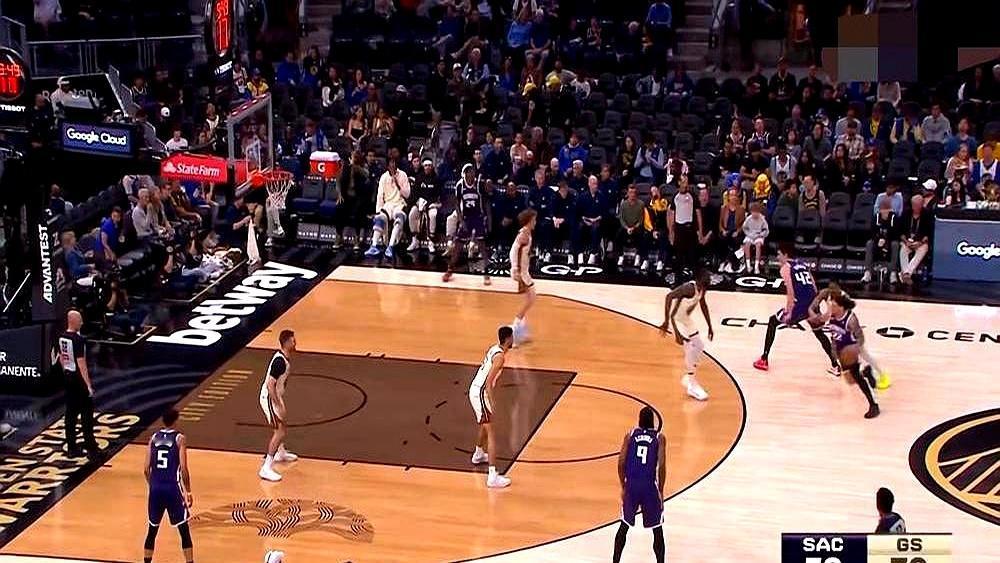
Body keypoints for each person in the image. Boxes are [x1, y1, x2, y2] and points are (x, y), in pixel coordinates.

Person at [753, 242, 840, 376]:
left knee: (772, 321)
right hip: (812, 303)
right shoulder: (803, 265)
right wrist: (815, 307)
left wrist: (789, 311)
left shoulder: (785, 268)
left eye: (779, 254)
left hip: (800, 305)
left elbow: (791, 292)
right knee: (819, 333)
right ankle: (835, 365)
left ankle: (764, 359)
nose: (777, 257)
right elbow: (814, 287)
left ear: (786, 255)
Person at [612, 406, 666, 563]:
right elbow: (662, 465)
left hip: (632, 485)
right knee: (657, 529)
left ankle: (615, 561)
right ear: (653, 422)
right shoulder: (659, 438)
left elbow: (621, 463)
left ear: (639, 421)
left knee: (624, 525)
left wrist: (623, 485)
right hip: (649, 486)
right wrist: (660, 490)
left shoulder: (630, 435)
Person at [143, 408, 194, 563]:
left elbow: (146, 469)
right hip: (172, 489)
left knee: (152, 530)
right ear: (176, 421)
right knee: (184, 530)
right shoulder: (179, 439)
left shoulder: (153, 438)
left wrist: (152, 485)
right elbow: (183, 468)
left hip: (155, 489)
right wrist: (188, 491)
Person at [469, 326, 514, 488]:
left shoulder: (494, 349)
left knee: (484, 424)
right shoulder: (500, 358)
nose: (513, 340)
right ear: (508, 339)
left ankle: (478, 454)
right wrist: (493, 402)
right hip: (480, 393)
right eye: (512, 337)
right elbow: (488, 383)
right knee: (492, 432)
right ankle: (492, 476)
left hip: (476, 390)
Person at [823, 291, 880, 418]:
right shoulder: (831, 317)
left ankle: (874, 405)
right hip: (841, 351)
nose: (831, 307)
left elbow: (860, 338)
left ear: (841, 307)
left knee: (858, 378)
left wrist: (855, 352)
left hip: (852, 349)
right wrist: (834, 351)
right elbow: (833, 335)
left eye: (834, 305)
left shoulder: (851, 320)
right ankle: (867, 372)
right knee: (850, 381)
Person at [660, 270, 714, 401]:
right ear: (699, 279)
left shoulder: (702, 289)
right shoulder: (689, 288)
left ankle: (690, 374)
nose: (709, 280)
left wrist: (710, 326)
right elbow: (669, 296)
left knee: (699, 346)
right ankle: (692, 385)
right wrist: (666, 321)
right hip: (677, 320)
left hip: (686, 320)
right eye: (707, 278)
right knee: (689, 349)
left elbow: (703, 305)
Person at [258, 330, 299, 482]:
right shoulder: (279, 362)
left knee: (282, 426)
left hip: (275, 396)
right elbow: (270, 385)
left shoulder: (284, 358)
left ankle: (280, 453)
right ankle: (266, 468)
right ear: (286, 343)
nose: (295, 343)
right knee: (279, 431)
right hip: (269, 397)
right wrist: (276, 403)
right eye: (293, 341)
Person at [442, 167, 491, 286]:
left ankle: (486, 273)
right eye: (470, 173)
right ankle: (450, 270)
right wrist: (461, 220)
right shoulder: (460, 185)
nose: (472, 175)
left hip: (478, 217)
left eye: (473, 173)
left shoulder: (479, 184)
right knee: (458, 246)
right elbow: (456, 203)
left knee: (482, 246)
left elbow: (486, 202)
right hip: (467, 218)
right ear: (465, 174)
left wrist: (488, 220)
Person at [59, 310, 98, 458]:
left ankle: (71, 447)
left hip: (68, 378)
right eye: (80, 320)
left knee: (70, 414)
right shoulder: (78, 340)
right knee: (87, 413)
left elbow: (61, 357)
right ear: (73, 321)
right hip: (78, 379)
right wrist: (88, 385)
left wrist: (65, 371)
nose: (82, 322)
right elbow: (81, 364)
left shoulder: (62, 337)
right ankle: (91, 448)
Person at [365, 159, 411, 259]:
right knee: (380, 218)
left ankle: (390, 247)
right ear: (387, 166)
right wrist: (378, 211)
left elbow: (407, 195)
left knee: (399, 219)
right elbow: (380, 196)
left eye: (394, 163)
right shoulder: (384, 177)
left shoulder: (403, 175)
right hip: (388, 205)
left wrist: (398, 184)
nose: (392, 165)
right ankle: (373, 246)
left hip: (400, 204)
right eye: (390, 163)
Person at [510, 209, 538, 346]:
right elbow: (513, 251)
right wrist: (515, 268)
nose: (535, 222)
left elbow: (522, 251)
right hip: (521, 272)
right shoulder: (524, 234)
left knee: (529, 299)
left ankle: (522, 333)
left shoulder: (526, 232)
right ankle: (514, 332)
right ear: (529, 221)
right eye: (534, 220)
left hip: (524, 270)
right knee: (531, 299)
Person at [899, 194, 932, 285]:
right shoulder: (906, 213)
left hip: (920, 242)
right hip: (907, 241)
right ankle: (906, 274)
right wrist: (906, 242)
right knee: (903, 250)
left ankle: (906, 273)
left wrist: (920, 243)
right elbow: (901, 232)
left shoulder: (927, 214)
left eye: (917, 205)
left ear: (922, 205)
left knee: (924, 249)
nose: (915, 207)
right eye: (913, 205)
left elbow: (928, 234)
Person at [741, 202, 769, 274]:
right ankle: (748, 266)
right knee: (747, 245)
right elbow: (744, 228)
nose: (755, 214)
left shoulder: (762, 219)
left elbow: (766, 230)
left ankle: (756, 266)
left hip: (759, 235)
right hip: (750, 235)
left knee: (758, 245)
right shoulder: (748, 219)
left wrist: (761, 235)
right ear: (751, 212)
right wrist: (749, 234)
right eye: (753, 212)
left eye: (756, 212)